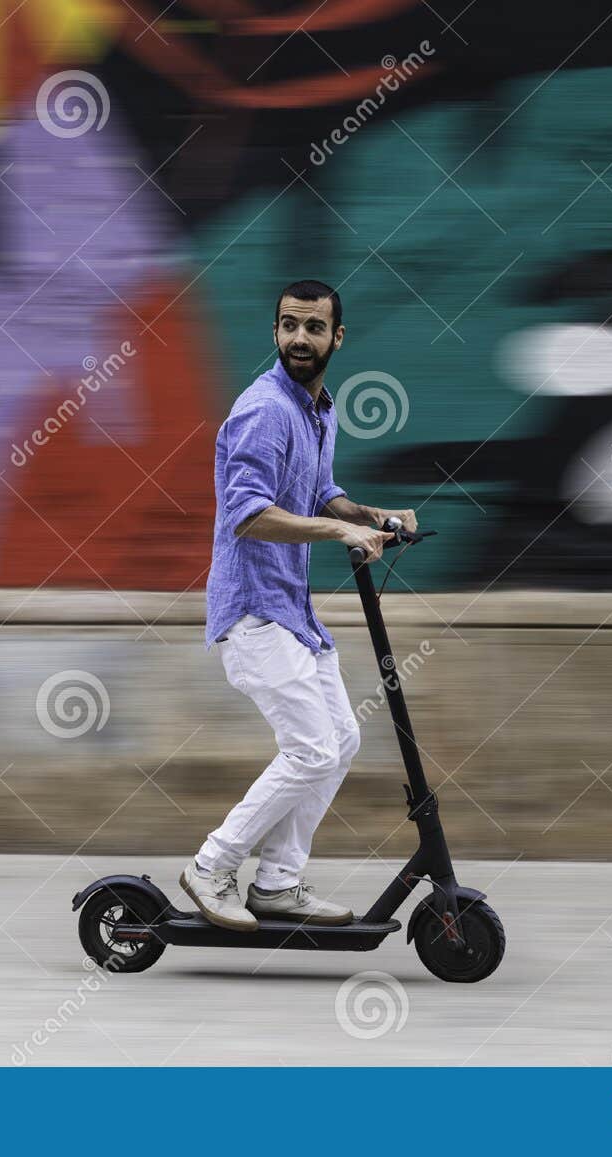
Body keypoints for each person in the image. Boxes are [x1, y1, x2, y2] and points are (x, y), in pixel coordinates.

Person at [186, 279, 417, 931]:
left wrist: (371, 516)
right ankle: (211, 864)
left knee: (339, 739)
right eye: (289, 325)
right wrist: (343, 532)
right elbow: (248, 514)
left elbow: (320, 491)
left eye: (314, 327)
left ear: (336, 338)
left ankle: (279, 881)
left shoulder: (318, 409)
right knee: (311, 750)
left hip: (293, 613)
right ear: (275, 331)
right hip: (254, 612)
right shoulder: (266, 409)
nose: (299, 338)